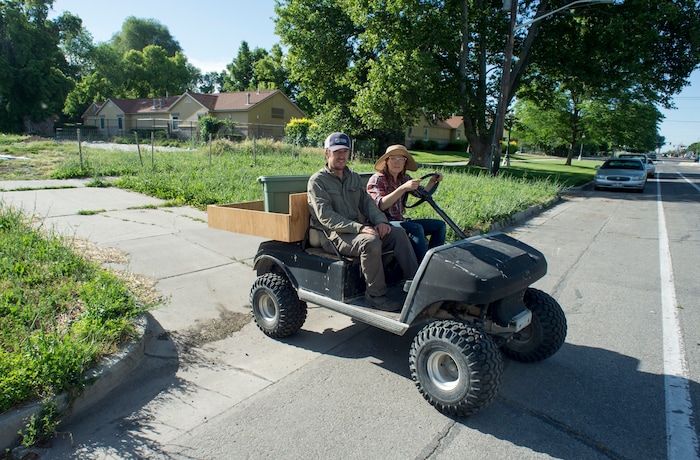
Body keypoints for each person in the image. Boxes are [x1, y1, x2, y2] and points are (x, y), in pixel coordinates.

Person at [307, 133, 419, 312]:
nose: (342, 156)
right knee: (370, 241)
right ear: (327, 153)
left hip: (355, 231)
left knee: (398, 233)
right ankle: (375, 295)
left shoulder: (353, 177)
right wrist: (360, 228)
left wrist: (381, 221)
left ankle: (416, 284)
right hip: (333, 235)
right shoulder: (317, 181)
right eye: (337, 152)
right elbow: (326, 217)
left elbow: (367, 204)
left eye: (345, 151)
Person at [367, 144, 446, 261]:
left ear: (405, 163)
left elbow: (422, 194)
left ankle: (433, 262)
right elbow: (381, 204)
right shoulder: (378, 179)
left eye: (401, 159)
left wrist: (432, 182)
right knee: (415, 228)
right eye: (393, 158)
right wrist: (403, 188)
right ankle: (421, 268)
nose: (397, 162)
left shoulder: (404, 178)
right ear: (387, 161)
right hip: (383, 223)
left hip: (401, 221)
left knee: (439, 226)